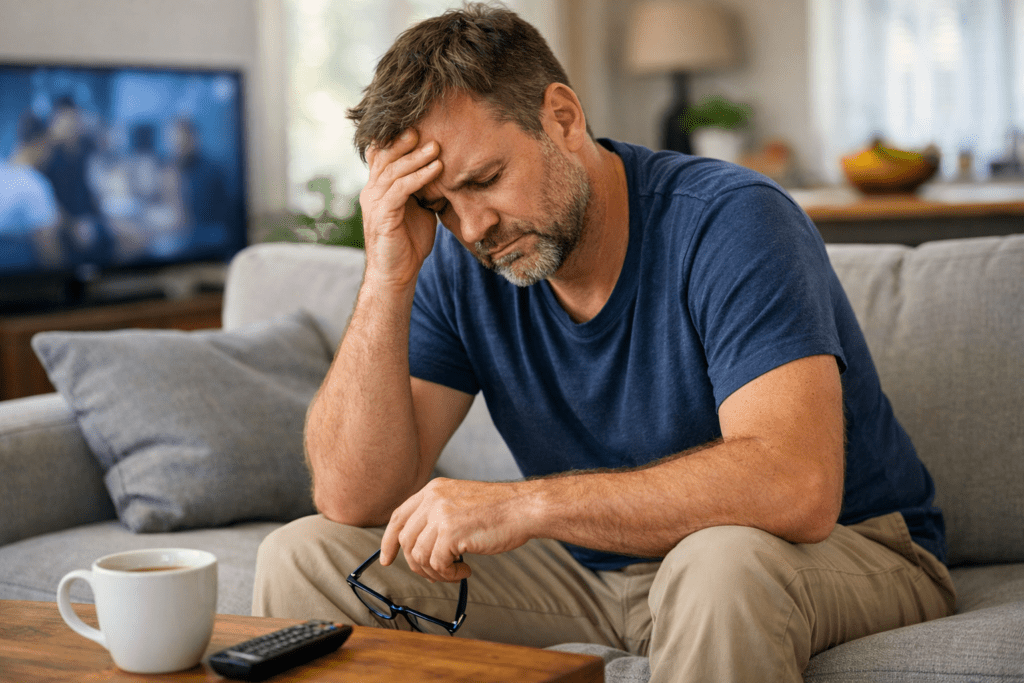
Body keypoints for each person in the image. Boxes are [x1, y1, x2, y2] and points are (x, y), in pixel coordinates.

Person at [253, 5, 956, 681]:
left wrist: (524, 505)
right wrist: (386, 275)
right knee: (304, 554)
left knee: (717, 564)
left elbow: (796, 486)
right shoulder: (459, 261)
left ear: (561, 118)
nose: (471, 228)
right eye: (440, 203)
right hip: (595, 572)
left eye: (486, 179)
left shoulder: (732, 220)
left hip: (839, 549)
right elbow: (351, 498)